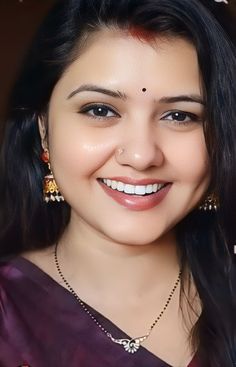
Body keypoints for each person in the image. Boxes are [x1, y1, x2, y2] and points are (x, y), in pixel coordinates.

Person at [0, 0, 235, 366]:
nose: (141, 156)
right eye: (100, 110)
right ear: (43, 129)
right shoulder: (8, 312)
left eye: (180, 115)